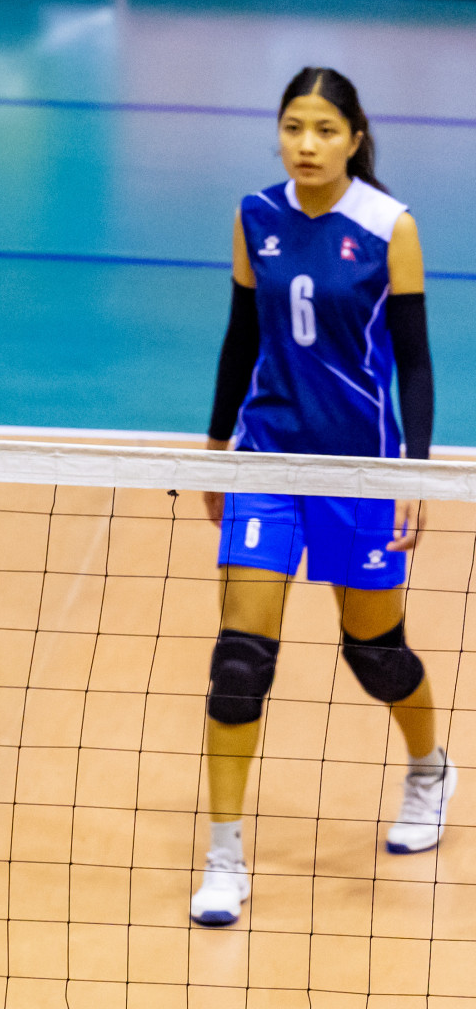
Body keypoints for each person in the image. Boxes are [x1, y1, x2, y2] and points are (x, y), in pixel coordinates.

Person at [192, 67, 453, 928]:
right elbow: (242, 333)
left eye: (324, 130)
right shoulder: (254, 215)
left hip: (363, 471)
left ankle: (429, 768)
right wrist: (217, 444)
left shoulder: (389, 227)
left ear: (354, 138)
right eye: (293, 127)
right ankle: (223, 857)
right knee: (239, 663)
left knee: (376, 656)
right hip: (270, 458)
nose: (306, 144)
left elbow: (414, 362)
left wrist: (414, 471)